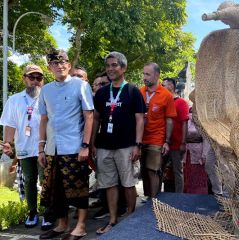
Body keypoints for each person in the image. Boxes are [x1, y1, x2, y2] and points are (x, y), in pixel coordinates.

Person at [38, 49, 94, 240]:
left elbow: (89, 116)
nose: (60, 66)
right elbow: (44, 119)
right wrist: (41, 148)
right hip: (52, 147)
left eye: (63, 63)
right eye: (55, 63)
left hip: (74, 146)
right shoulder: (45, 90)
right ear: (49, 67)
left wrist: (85, 145)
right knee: (57, 190)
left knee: (78, 188)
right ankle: (62, 225)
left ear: (69, 65)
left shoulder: (80, 85)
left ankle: (81, 226)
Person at [92, 52, 145, 234]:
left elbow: (140, 120)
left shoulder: (133, 91)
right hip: (104, 145)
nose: (110, 69)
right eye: (108, 66)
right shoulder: (101, 93)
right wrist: (91, 143)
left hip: (126, 145)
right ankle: (113, 221)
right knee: (109, 184)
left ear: (123, 68)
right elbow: (96, 119)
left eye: (114, 65)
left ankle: (130, 217)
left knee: (128, 183)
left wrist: (138, 144)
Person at [0, 64, 47, 228]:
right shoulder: (14, 100)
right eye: (31, 77)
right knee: (29, 181)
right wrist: (7, 142)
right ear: (24, 79)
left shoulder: (47, 96)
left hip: (45, 147)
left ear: (42, 80)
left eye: (39, 78)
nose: (35, 81)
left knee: (46, 180)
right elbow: (9, 124)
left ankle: (48, 213)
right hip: (25, 148)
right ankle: (32, 212)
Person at [140, 63, 177, 198]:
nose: (144, 77)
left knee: (153, 170)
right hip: (140, 138)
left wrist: (167, 141)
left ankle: (154, 200)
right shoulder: (140, 91)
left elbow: (169, 120)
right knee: (144, 171)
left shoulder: (166, 95)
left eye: (147, 74)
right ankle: (149, 198)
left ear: (157, 75)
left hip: (157, 139)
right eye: (144, 74)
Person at [162, 78, 189, 193]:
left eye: (164, 85)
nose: (162, 87)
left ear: (171, 86)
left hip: (177, 143)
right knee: (159, 169)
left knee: (178, 171)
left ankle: (179, 196)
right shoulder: (163, 102)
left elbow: (184, 123)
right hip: (162, 142)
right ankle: (156, 195)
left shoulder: (181, 102)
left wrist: (183, 142)